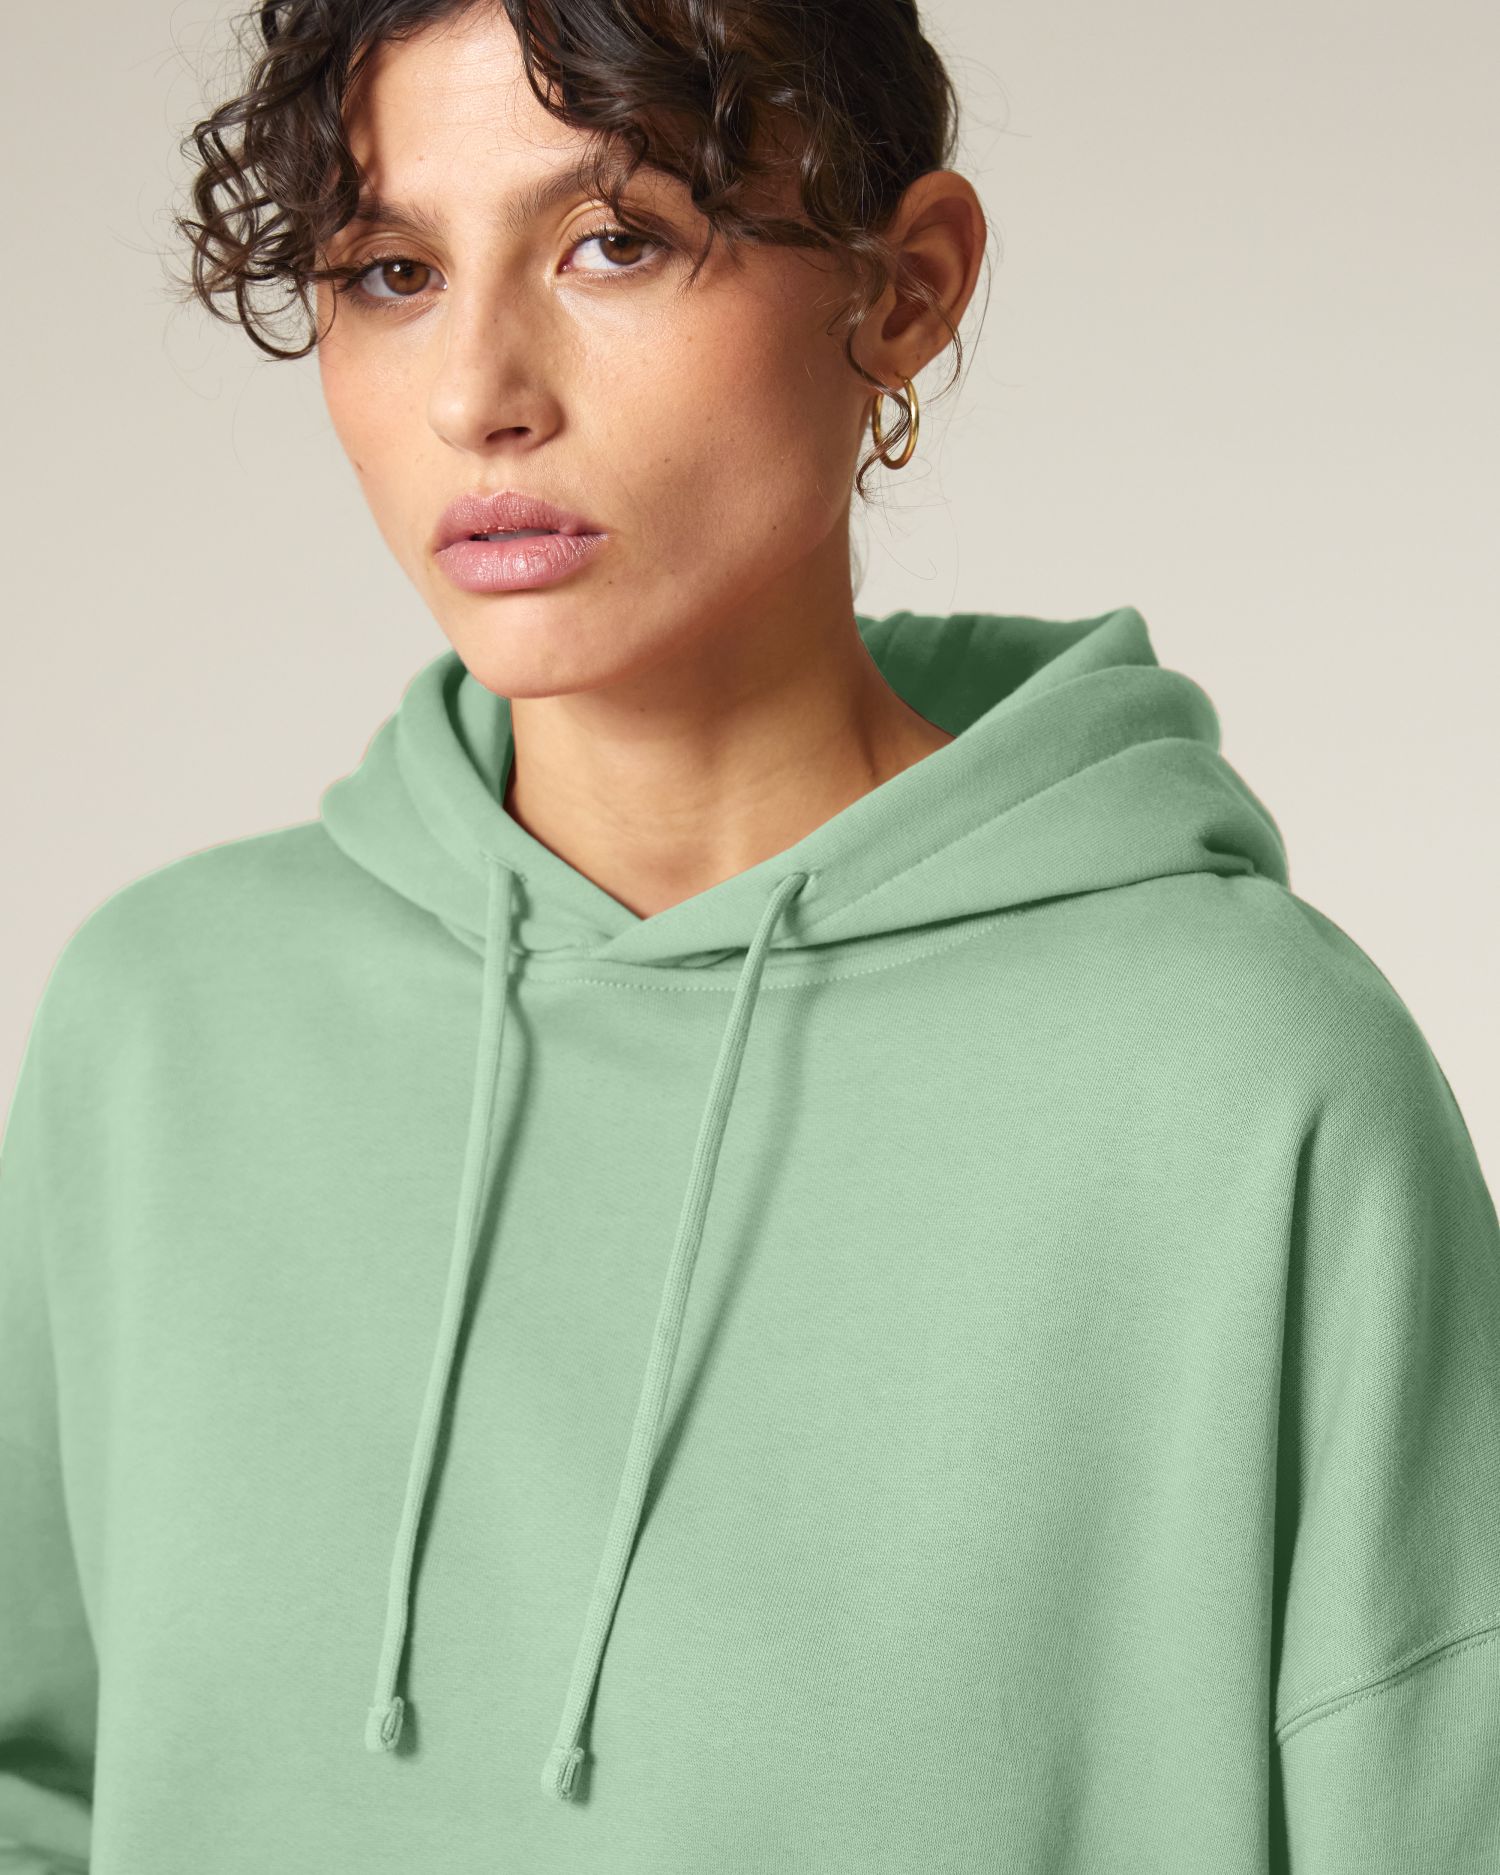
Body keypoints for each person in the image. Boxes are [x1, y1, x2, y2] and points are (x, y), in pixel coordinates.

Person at [2, 1, 1497, 1869]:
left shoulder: (1251, 1080)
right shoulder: (163, 1029)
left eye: (615, 241)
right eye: (392, 271)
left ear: (905, 288)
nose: (479, 394)